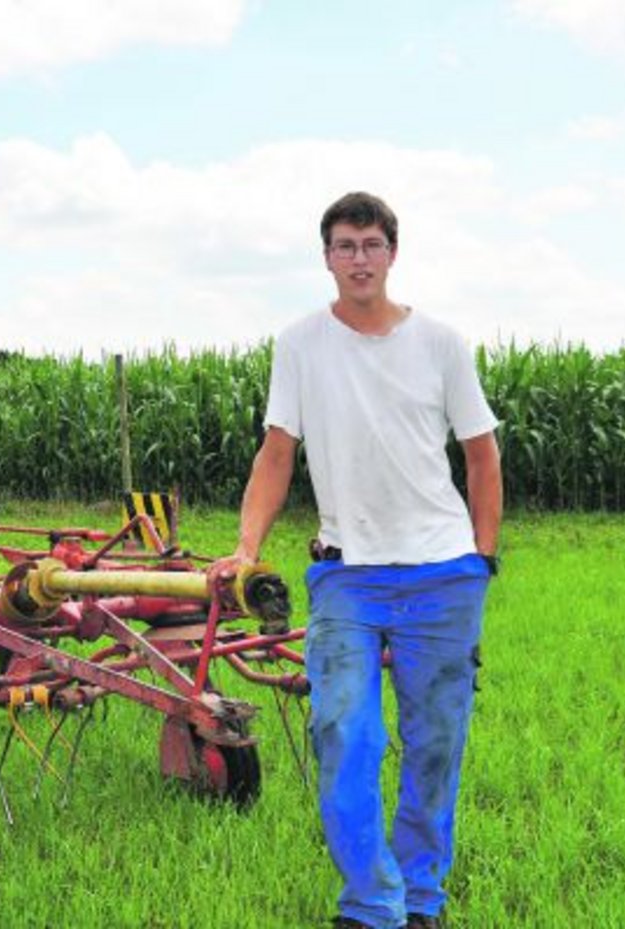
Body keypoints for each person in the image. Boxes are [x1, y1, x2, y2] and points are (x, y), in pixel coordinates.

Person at [212, 191, 502, 929]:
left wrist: (481, 560)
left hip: (442, 574)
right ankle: (372, 903)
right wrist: (247, 546)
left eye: (372, 244)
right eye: (345, 245)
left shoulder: (440, 343)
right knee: (344, 731)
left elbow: (481, 454)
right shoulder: (301, 343)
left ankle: (422, 898)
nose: (359, 258)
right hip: (347, 574)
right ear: (327, 257)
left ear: (393, 253)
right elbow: (278, 451)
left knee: (435, 745)